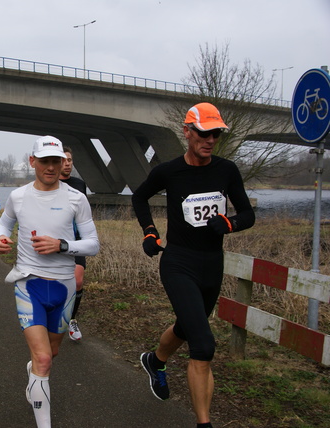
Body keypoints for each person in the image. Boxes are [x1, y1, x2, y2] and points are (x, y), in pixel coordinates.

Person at [131, 103, 255, 428]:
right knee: (203, 344)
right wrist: (149, 232)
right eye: (203, 132)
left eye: (215, 133)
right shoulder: (169, 171)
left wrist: (229, 223)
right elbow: (139, 197)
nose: (210, 139)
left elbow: (248, 214)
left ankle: (155, 361)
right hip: (178, 263)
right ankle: (204, 423)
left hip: (212, 266)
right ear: (187, 132)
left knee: (188, 328)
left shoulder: (227, 170)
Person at [0, 136, 100, 428]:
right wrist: (0, 237)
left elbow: (92, 244)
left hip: (64, 288)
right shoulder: (18, 196)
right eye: (44, 161)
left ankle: (34, 376)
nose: (51, 167)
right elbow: (4, 222)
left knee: (50, 354)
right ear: (32, 162)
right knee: (43, 359)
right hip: (29, 284)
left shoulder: (77, 199)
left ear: (63, 162)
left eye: (56, 161)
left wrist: (62, 246)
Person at [59, 146, 88, 341]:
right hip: (55, 241)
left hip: (76, 241)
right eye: (64, 160)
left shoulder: (80, 184)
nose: (68, 163)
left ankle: (72, 320)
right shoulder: (49, 184)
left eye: (70, 160)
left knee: (77, 281)